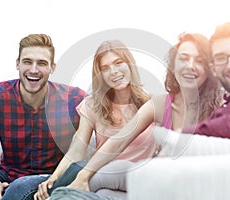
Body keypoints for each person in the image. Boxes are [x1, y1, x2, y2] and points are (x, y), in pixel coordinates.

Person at [49, 32, 224, 199]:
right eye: (183, 59)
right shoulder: (160, 104)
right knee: (101, 191)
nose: (190, 66)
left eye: (199, 60)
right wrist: (83, 176)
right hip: (153, 182)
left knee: (102, 176)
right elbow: (119, 140)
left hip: (188, 186)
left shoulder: (221, 106)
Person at [33, 40, 157, 200]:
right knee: (88, 182)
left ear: (130, 64)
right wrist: (53, 178)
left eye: (118, 63)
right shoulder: (93, 105)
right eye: (105, 68)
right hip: (97, 176)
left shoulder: (152, 104)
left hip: (133, 180)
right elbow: (76, 150)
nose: (113, 71)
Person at [0, 34, 85, 200]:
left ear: (52, 68)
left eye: (41, 63)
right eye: (27, 62)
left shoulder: (73, 99)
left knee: (20, 187)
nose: (33, 70)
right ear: (18, 64)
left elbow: (106, 114)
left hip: (52, 179)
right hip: (7, 175)